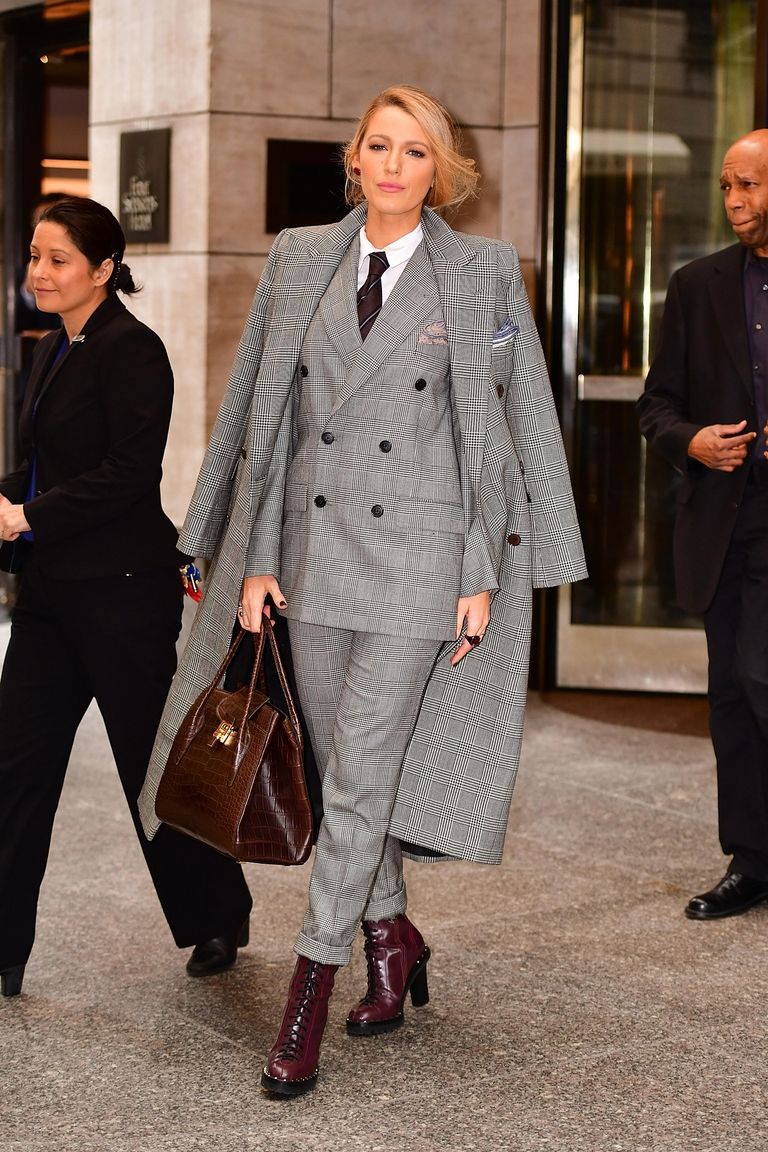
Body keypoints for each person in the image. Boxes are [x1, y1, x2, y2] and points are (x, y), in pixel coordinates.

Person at [139, 85, 586, 1096]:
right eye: (379, 146)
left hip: (421, 562)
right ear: (355, 158)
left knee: (358, 778)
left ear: (442, 170)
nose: (393, 166)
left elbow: (504, 423)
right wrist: (253, 555)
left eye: (415, 151)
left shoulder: (480, 271)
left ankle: (309, 990)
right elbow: (266, 413)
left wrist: (484, 567)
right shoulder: (301, 256)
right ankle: (393, 935)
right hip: (310, 556)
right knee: (346, 772)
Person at [0, 197, 253, 999]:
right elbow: (44, 468)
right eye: (34, 256)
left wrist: (29, 516)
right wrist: (11, 500)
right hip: (50, 595)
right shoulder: (52, 347)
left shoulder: (132, 350)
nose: (39, 272)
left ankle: (217, 914)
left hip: (123, 595)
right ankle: (4, 946)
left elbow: (128, 474)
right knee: (15, 766)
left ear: (104, 269)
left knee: (150, 767)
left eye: (58, 259)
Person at [638, 128, 768, 921]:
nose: (733, 201)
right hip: (725, 522)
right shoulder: (697, 285)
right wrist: (692, 441)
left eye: (747, 184)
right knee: (732, 695)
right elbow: (657, 406)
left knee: (761, 678)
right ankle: (750, 859)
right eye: (726, 186)